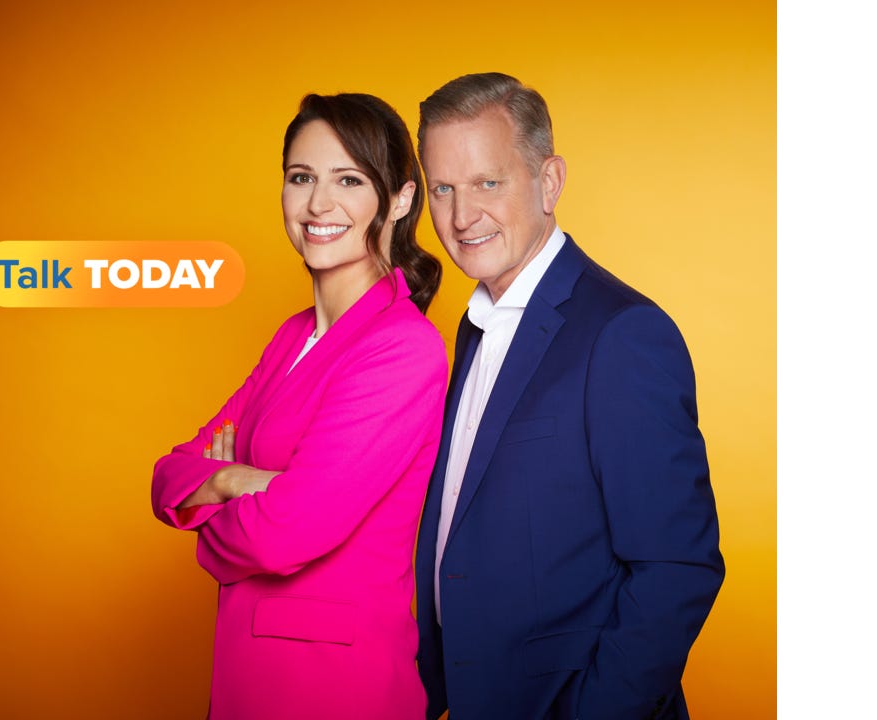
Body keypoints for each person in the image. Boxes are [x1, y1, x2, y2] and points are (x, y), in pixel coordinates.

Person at [412, 72, 724, 720]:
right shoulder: (474, 329)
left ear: (549, 182)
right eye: (443, 188)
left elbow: (677, 568)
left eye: (487, 183)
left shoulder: (622, 334)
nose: (462, 216)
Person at [151, 92, 448, 720]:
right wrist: (238, 480)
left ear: (399, 199)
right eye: (301, 178)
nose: (318, 204)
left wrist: (219, 518)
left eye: (348, 179)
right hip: (251, 674)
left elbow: (285, 533)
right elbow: (169, 476)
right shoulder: (293, 337)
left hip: (333, 684)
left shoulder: (401, 348)